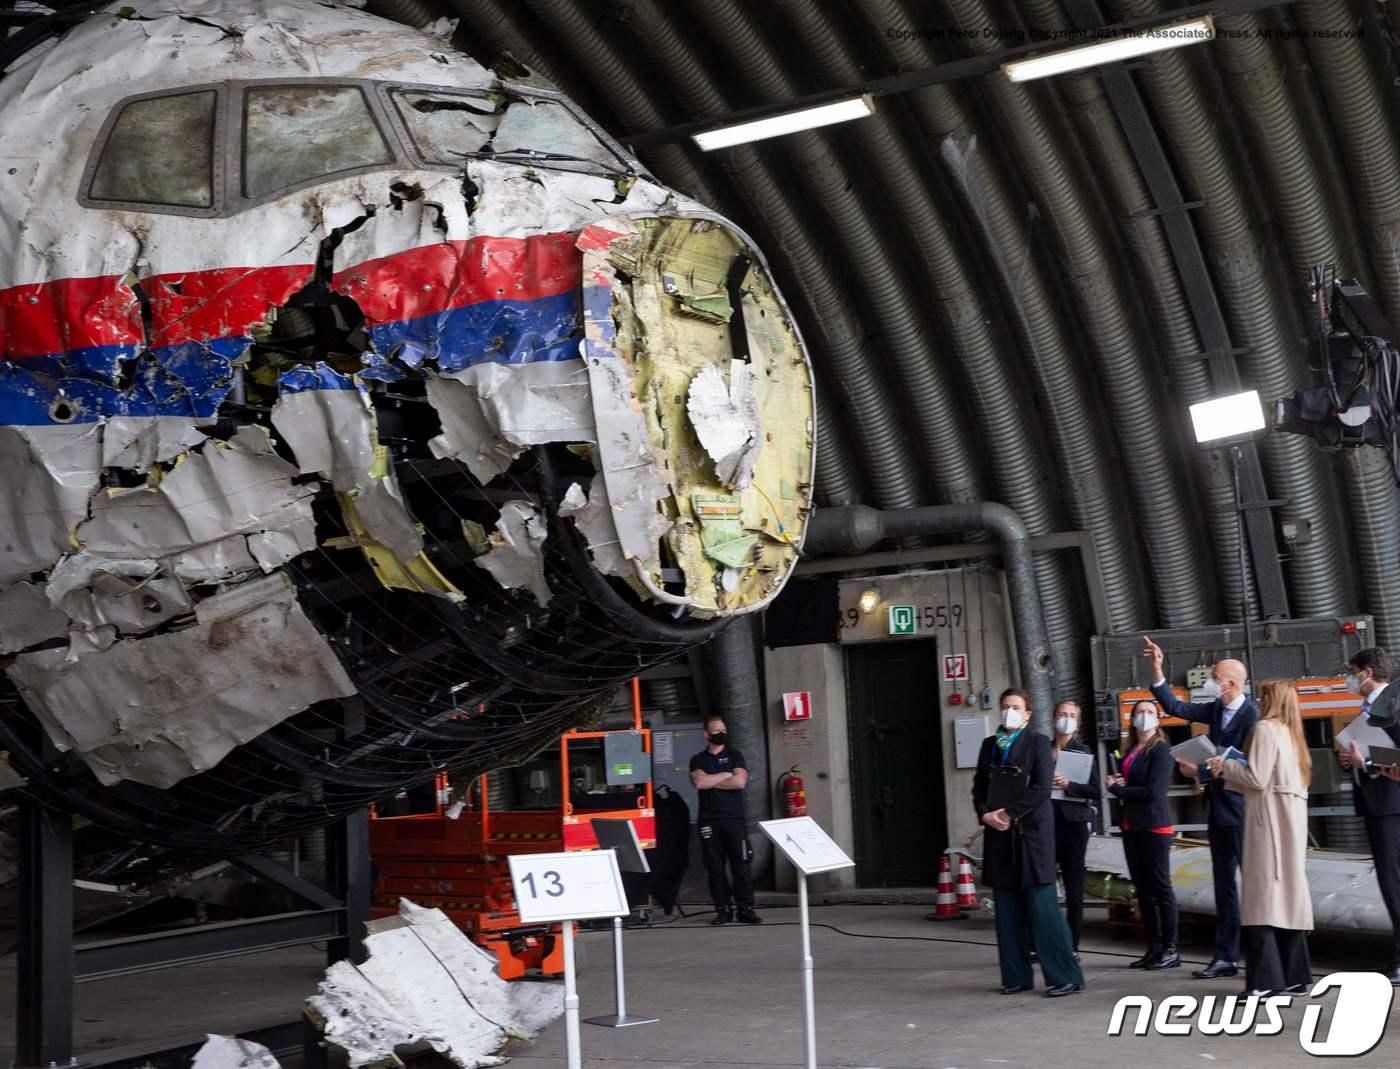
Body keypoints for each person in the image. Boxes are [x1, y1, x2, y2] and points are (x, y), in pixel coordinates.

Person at [1142, 635, 1257, 979]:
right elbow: (1177, 709)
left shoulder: (1253, 716)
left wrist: (1202, 770)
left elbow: (1251, 764)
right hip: (1220, 809)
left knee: (1252, 886)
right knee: (1224, 886)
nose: (1209, 683)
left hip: (1242, 810)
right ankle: (1226, 957)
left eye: (1215, 678)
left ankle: (1261, 956)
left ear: (1232, 683)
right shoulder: (1218, 710)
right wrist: (1157, 670)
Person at [972, 687, 1085, 997]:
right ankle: (1015, 976)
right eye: (1005, 705)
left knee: (1042, 907)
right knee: (1007, 910)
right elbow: (979, 788)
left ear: (1027, 713)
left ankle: (1064, 976)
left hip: (1031, 834)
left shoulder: (1037, 744)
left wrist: (1009, 813)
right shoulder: (989, 746)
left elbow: (1040, 789)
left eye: (1016, 706)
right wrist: (985, 815)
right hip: (998, 835)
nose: (1010, 711)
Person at [1205, 680, 1313, 997]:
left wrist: (1225, 765)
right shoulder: (1293, 734)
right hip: (1289, 820)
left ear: (1270, 700)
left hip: (1268, 823)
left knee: (1261, 899)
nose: (1258, 701)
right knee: (1287, 895)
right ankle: (1295, 975)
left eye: (1262, 696)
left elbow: (1257, 777)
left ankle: (1265, 982)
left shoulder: (1266, 729)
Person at [1336, 647, 1400, 985]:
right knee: (1390, 882)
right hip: (1378, 802)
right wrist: (1351, 761)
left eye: (1352, 670)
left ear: (1367, 673)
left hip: (1392, 803)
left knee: (1394, 882)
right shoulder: (1372, 709)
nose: (1349, 677)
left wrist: (1369, 763)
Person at [1106, 699, 1180, 970]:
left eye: (1150, 712)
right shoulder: (1131, 750)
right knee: (1144, 890)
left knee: (1160, 887)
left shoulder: (1161, 750)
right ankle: (1154, 947)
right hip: (1132, 825)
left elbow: (1154, 791)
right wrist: (1119, 781)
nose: (1144, 716)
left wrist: (1118, 791)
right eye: (1140, 712)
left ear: (1158, 720)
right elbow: (1137, 782)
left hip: (1153, 826)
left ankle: (1170, 947)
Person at [689, 714, 760, 925]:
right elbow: (700, 783)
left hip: (734, 819)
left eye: (724, 730)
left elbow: (739, 782)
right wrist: (724, 775)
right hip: (709, 820)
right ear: (706, 734)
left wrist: (714, 779)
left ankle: (745, 909)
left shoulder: (735, 755)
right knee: (715, 867)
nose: (721, 734)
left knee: (741, 865)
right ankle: (723, 909)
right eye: (716, 730)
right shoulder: (698, 759)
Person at [1051, 700, 1100, 957]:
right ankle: (1043, 942)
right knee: (1043, 887)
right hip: (1045, 825)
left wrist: (1069, 785)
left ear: (1078, 722)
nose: (1066, 719)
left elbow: (1095, 790)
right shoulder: (1042, 750)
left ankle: (1072, 945)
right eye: (1062, 714)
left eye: (1071, 715)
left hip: (1073, 825)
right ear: (1053, 718)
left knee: (1074, 888)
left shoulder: (1083, 752)